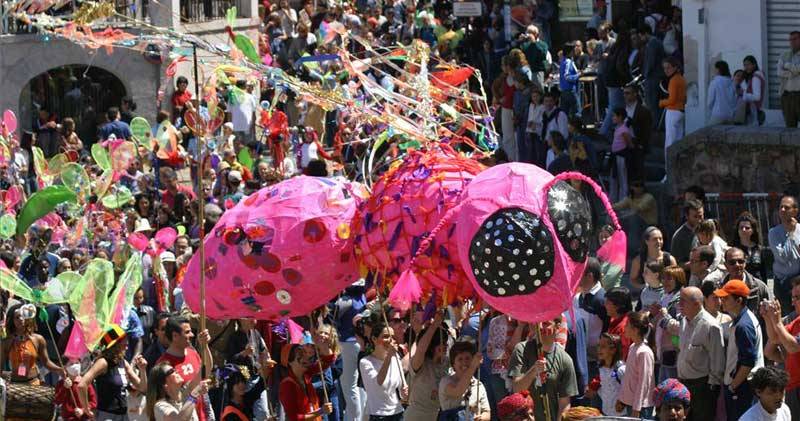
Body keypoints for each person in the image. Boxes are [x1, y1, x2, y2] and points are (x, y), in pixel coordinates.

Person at [509, 316, 578, 421]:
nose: (540, 327)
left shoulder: (565, 359)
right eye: (537, 323)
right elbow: (517, 389)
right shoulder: (521, 350)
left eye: (545, 323)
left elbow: (564, 403)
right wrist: (534, 371)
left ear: (557, 326)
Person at [715, 280, 764, 420]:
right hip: (743, 385)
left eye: (726, 298)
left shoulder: (743, 326)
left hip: (742, 387)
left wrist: (733, 386)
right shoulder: (742, 319)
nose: (721, 300)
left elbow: (748, 362)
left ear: (739, 300)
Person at [674, 286, 725, 421]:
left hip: (702, 388)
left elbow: (717, 362)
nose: (679, 305)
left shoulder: (711, 326)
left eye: (683, 301)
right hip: (683, 384)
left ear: (696, 303)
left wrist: (710, 390)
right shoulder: (684, 321)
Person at [78, 325, 148, 420]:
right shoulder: (103, 362)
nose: (127, 343)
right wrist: (86, 409)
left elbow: (142, 388)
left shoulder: (123, 362)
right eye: (124, 340)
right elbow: (82, 385)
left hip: (124, 416)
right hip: (107, 416)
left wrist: (142, 369)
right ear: (115, 344)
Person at [156, 316, 214, 421]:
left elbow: (205, 372)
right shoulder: (163, 365)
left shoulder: (192, 353)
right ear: (175, 336)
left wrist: (205, 346)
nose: (192, 335)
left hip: (201, 414)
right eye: (187, 332)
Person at [763, 277, 800, 416]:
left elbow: (793, 347)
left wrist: (777, 322)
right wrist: (768, 317)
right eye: (793, 297)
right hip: (793, 386)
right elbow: (775, 339)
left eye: (797, 297)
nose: (792, 302)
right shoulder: (796, 321)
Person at [1, 304, 64, 385]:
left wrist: (59, 370)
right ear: (12, 321)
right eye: (17, 317)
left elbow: (46, 362)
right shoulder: (7, 342)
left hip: (34, 384)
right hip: (15, 386)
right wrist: (8, 375)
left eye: (23, 316)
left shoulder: (38, 339)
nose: (21, 319)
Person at [404, 311, 448, 420]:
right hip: (416, 416)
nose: (445, 346)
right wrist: (434, 325)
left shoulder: (446, 362)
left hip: (437, 415)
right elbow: (421, 349)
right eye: (441, 343)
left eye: (446, 342)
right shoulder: (419, 363)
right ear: (432, 346)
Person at [359, 322, 406, 421]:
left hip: (398, 412)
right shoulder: (366, 362)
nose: (390, 340)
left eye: (392, 337)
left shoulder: (396, 357)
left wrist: (404, 391)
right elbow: (379, 382)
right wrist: (389, 356)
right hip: (378, 415)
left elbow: (401, 388)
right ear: (374, 339)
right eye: (385, 336)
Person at [278, 342, 335, 420]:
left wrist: (321, 343)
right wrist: (321, 411)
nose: (306, 358)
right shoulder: (287, 385)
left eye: (306, 355)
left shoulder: (306, 374)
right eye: (300, 356)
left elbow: (328, 360)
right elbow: (295, 418)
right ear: (289, 362)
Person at [438, 338, 491, 420]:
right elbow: (458, 391)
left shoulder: (479, 385)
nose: (464, 362)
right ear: (453, 364)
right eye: (460, 359)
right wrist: (473, 366)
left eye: (467, 358)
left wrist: (482, 417)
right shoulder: (446, 381)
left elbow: (487, 412)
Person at [616, 311, 655, 418]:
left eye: (627, 325)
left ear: (636, 329)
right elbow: (628, 377)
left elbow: (643, 383)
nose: (625, 327)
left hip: (641, 407)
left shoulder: (644, 352)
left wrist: (637, 408)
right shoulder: (633, 347)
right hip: (631, 403)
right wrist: (621, 398)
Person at [650, 265, 685, 382]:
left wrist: (664, 315)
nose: (665, 282)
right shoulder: (665, 296)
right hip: (663, 351)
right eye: (663, 278)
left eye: (669, 279)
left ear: (678, 280)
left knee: (670, 389)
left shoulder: (681, 299)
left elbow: (679, 327)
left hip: (673, 351)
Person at [768, 194, 800, 313]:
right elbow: (783, 256)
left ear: (795, 211)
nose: (782, 210)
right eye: (781, 207)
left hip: (798, 280)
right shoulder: (773, 233)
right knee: (787, 317)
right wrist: (791, 234)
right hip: (783, 283)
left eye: (786, 208)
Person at [659, 56, 686, 180]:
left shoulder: (674, 80)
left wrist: (661, 102)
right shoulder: (681, 78)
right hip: (681, 112)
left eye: (668, 67)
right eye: (664, 68)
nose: (666, 70)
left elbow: (672, 99)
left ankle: (669, 173)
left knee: (669, 143)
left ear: (675, 67)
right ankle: (678, 170)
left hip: (673, 111)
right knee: (678, 141)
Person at [720, 247, 770, 315]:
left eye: (740, 261)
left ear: (745, 263)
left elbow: (770, 313)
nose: (737, 265)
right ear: (726, 265)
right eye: (732, 262)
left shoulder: (760, 288)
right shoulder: (720, 288)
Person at [587, 333, 626, 416]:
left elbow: (629, 389)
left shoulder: (621, 370)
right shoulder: (601, 369)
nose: (599, 349)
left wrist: (622, 402)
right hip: (606, 413)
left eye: (603, 346)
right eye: (598, 346)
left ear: (613, 350)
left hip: (621, 415)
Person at [622, 86, 653, 184]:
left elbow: (647, 130)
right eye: (624, 93)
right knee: (628, 173)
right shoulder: (623, 109)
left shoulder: (643, 111)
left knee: (638, 173)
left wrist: (641, 145)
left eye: (628, 93)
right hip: (625, 144)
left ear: (635, 94)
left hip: (638, 144)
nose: (625, 96)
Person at [638, 25, 666, 127]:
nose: (641, 39)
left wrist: (645, 75)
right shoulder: (657, 42)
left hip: (653, 77)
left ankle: (654, 126)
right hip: (657, 76)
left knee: (652, 103)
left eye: (641, 36)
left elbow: (650, 62)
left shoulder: (652, 44)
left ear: (645, 33)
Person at [732, 212, 771, 282]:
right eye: (741, 228)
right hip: (741, 284)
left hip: (758, 285)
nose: (744, 230)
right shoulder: (733, 250)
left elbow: (763, 271)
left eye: (747, 228)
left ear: (752, 230)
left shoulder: (759, 249)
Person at [671, 199, 705, 265]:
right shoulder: (679, 237)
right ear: (687, 216)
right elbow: (676, 265)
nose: (699, 220)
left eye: (701, 216)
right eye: (695, 217)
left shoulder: (706, 229)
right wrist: (695, 263)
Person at [609, 108, 632, 202]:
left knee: (623, 179)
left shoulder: (624, 130)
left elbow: (629, 143)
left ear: (620, 117)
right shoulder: (617, 128)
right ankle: (612, 201)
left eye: (614, 116)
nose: (613, 118)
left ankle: (623, 201)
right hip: (615, 156)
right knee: (614, 179)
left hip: (621, 157)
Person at [778, 31, 800, 128]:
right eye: (790, 40)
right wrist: (793, 72)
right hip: (787, 96)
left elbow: (797, 70)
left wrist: (787, 65)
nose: (792, 42)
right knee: (790, 127)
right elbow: (779, 72)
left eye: (795, 39)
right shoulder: (784, 55)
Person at [605, 287, 633, 359]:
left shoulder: (623, 328)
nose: (605, 305)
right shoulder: (614, 319)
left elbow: (622, 356)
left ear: (617, 306)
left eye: (608, 302)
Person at [707, 60, 738, 125]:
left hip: (718, 114)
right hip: (729, 115)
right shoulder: (732, 82)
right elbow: (735, 100)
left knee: (711, 134)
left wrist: (712, 109)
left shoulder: (714, 82)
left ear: (718, 69)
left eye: (715, 69)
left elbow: (710, 101)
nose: (714, 70)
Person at [741, 55, 766, 126]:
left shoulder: (755, 77)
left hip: (754, 111)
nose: (746, 67)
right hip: (754, 110)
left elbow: (757, 97)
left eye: (748, 64)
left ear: (754, 64)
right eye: (745, 65)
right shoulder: (752, 76)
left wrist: (745, 95)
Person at [558, 42, 581, 117]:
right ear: (570, 52)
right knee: (577, 112)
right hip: (570, 90)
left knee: (564, 114)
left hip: (563, 90)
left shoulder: (563, 61)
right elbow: (567, 77)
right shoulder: (568, 62)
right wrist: (578, 75)